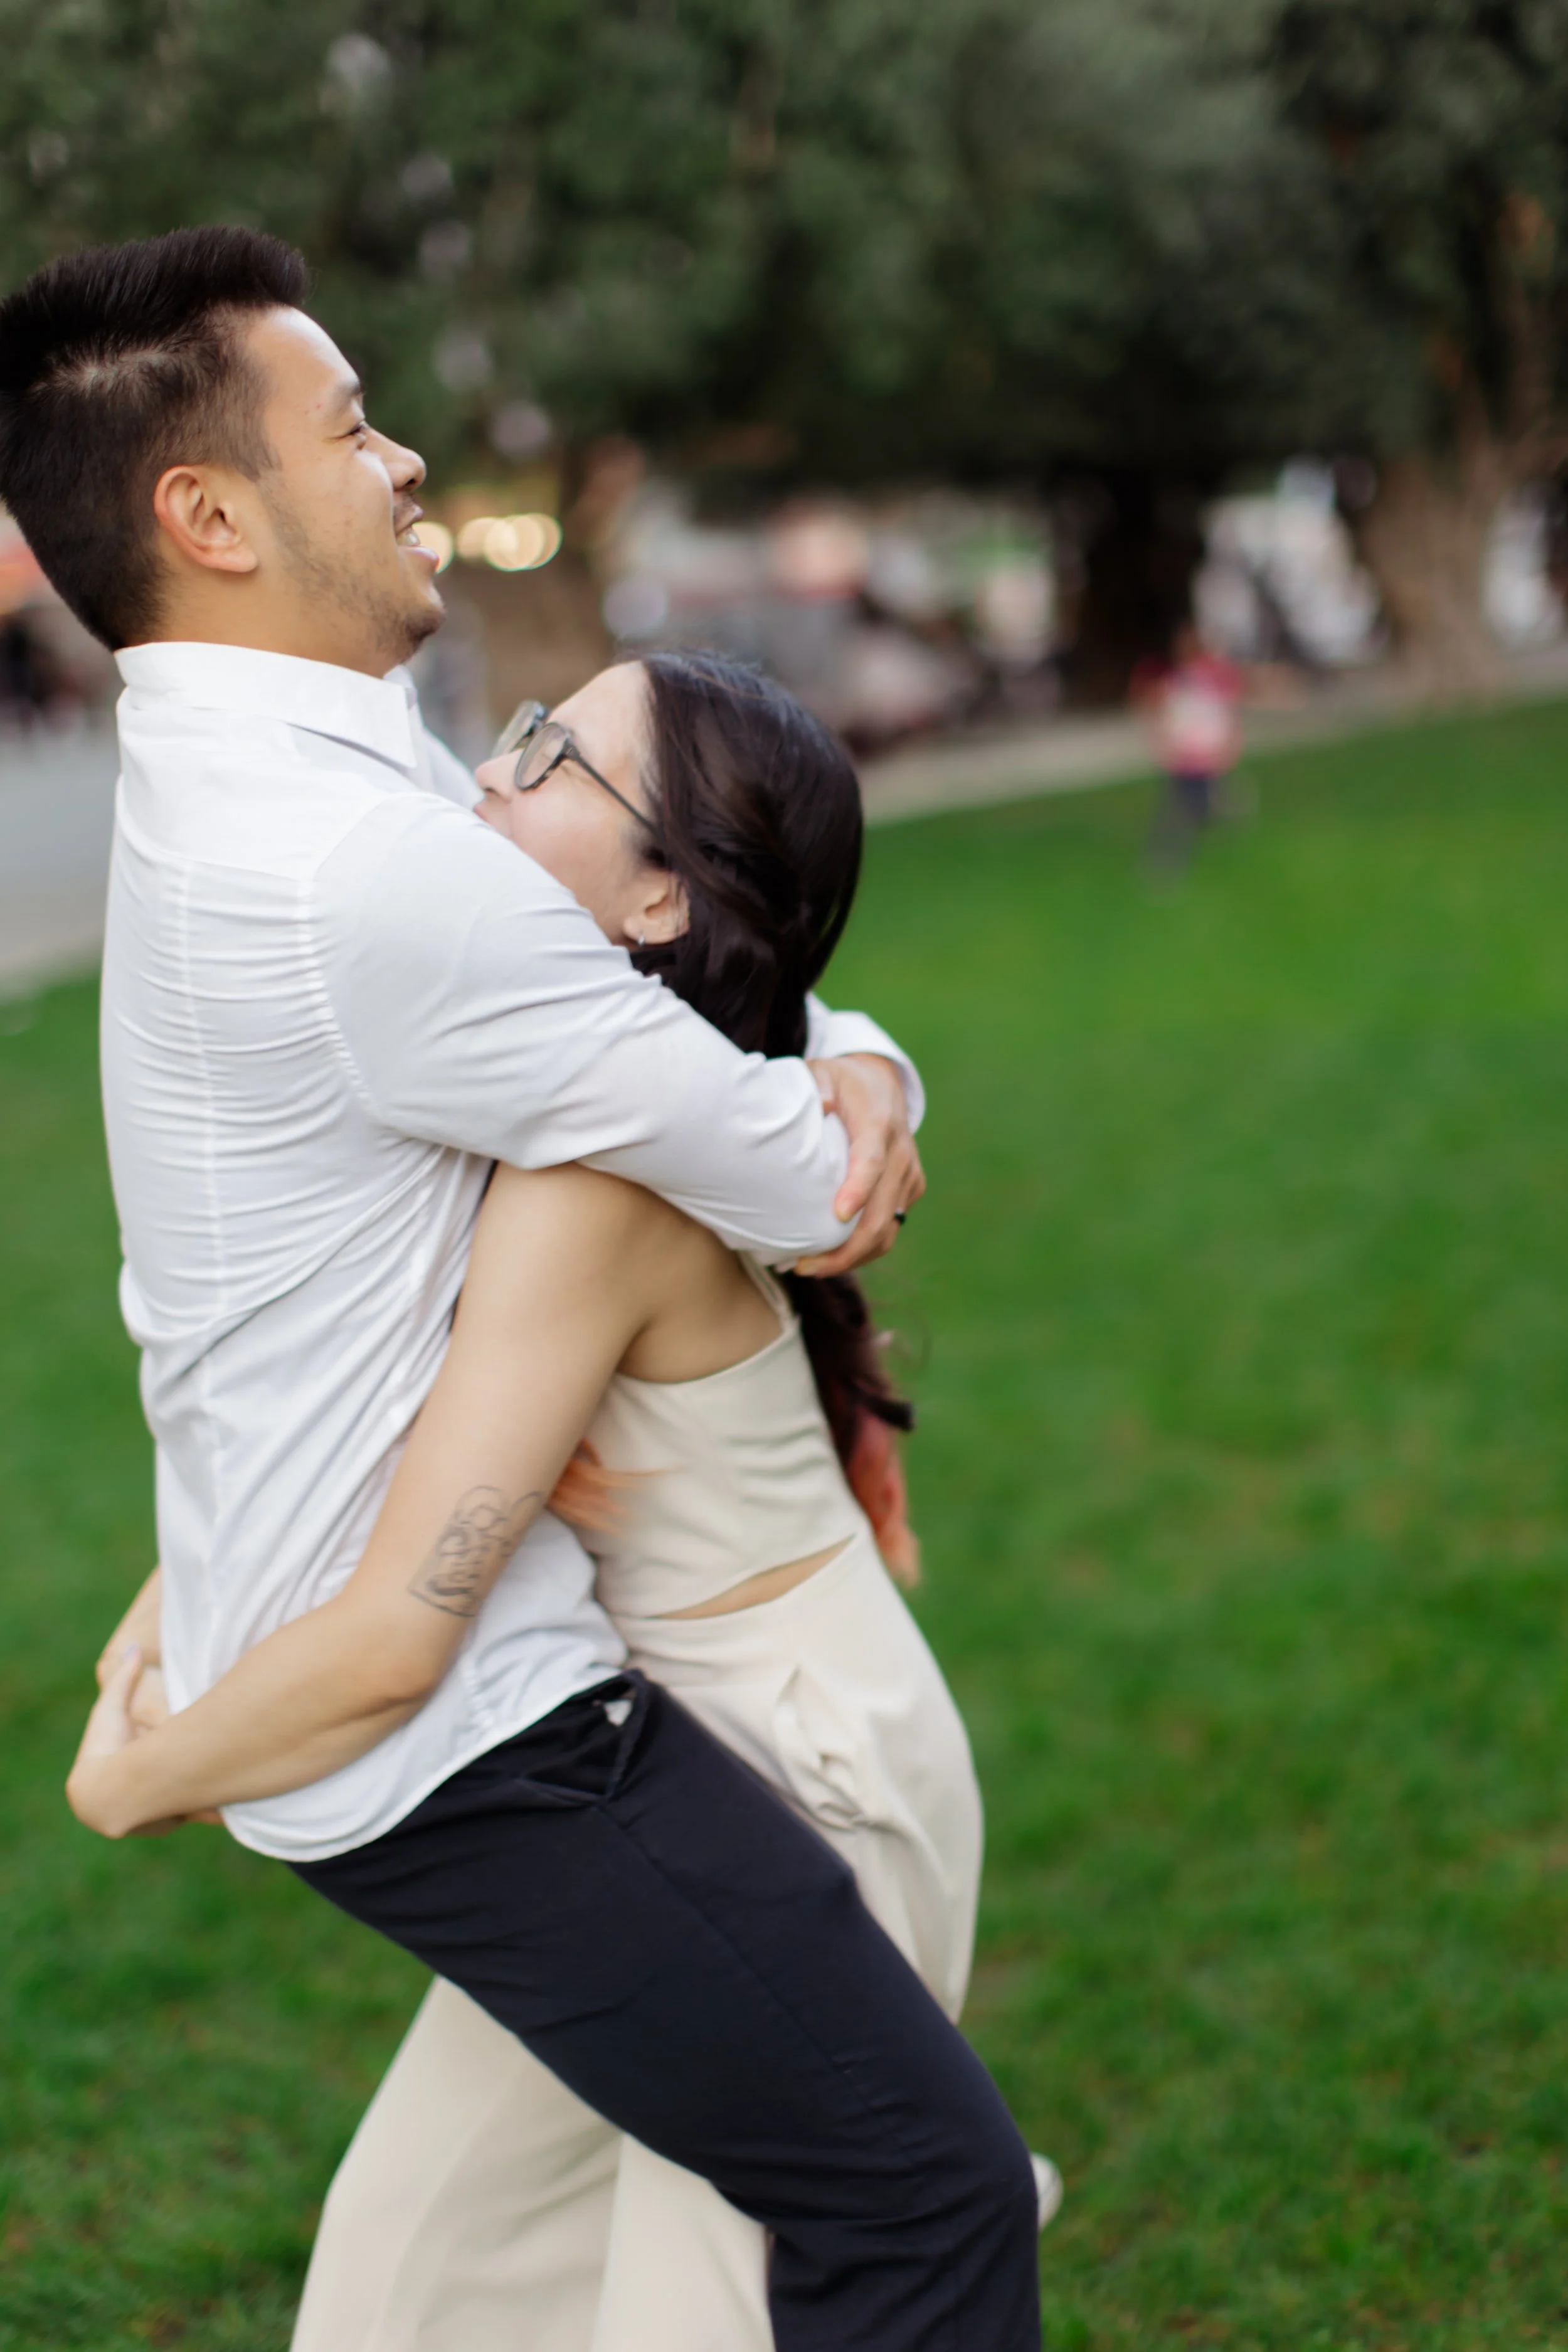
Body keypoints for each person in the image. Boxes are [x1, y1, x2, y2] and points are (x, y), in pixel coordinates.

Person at [0, 225, 1042, 2349]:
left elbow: (720, 1040)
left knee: (454, 2272)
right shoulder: (350, 858)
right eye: (349, 425)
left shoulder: (299, 754)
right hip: (467, 1730)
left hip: (391, 1670)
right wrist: (857, 1063)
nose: (399, 463)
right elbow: (800, 1170)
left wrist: (850, 1043)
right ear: (206, 516)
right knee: (920, 2201)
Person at [1133, 620, 1243, 867]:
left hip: (1206, 758)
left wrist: (1228, 747)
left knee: (1198, 808)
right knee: (1177, 812)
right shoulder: (1176, 683)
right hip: (1185, 760)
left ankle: (1221, 805)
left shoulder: (1214, 681)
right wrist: (1162, 743)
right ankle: (1166, 858)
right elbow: (1161, 715)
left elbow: (1225, 718)